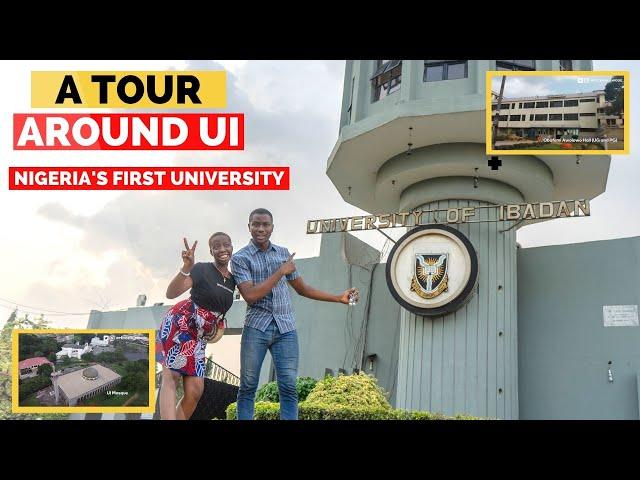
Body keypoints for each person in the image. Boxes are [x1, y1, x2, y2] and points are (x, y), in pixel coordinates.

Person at [231, 208, 359, 420]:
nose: (260, 229)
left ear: (272, 228)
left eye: (265, 224)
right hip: (256, 328)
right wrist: (280, 271)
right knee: (248, 386)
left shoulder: (283, 253)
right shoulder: (240, 258)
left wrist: (338, 298)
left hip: (286, 329)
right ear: (249, 227)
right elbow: (251, 295)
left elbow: (302, 288)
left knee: (289, 387)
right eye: (256, 224)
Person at [156, 232, 236, 420]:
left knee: (195, 391)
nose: (222, 249)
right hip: (182, 322)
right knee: (172, 376)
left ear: (232, 247)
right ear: (211, 251)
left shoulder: (233, 280)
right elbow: (171, 293)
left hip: (199, 336)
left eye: (226, 245)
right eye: (217, 246)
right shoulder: (202, 269)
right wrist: (186, 267)